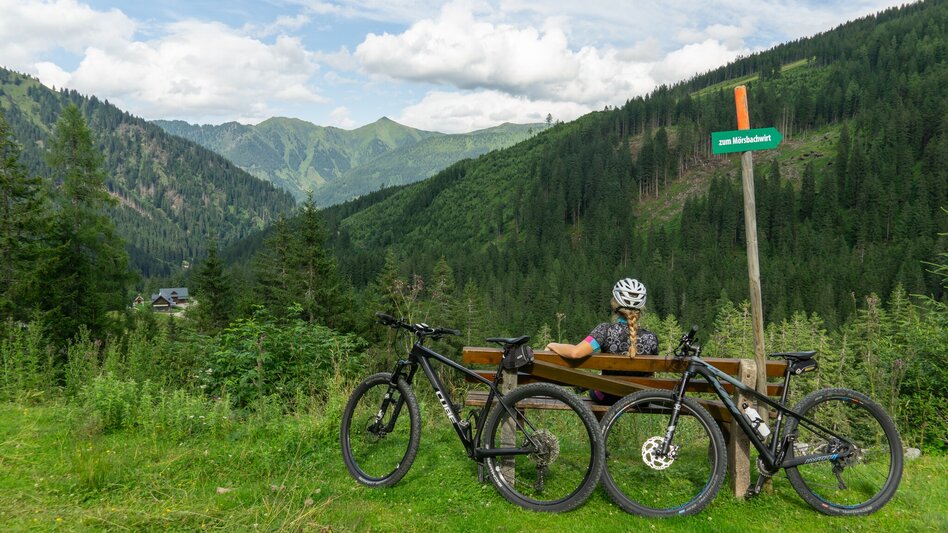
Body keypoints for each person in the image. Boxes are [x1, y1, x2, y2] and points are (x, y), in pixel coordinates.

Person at [545, 278, 659, 403]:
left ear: (615, 304)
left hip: (608, 397)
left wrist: (552, 344)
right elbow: (650, 374)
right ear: (641, 308)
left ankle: (600, 423)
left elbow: (575, 353)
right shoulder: (651, 338)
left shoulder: (605, 330)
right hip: (641, 400)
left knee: (598, 385)